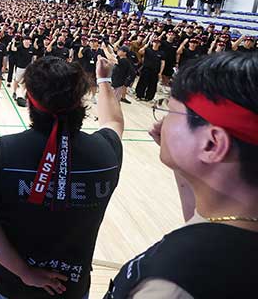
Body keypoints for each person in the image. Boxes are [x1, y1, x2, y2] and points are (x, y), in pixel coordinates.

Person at [105, 51, 258, 299]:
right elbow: (201, 221)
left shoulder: (169, 287)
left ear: (212, 144)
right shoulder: (236, 221)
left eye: (171, 112)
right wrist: (182, 163)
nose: (162, 123)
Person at [0, 54, 124, 299]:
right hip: (72, 285)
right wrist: (104, 78)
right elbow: (114, 121)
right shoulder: (106, 153)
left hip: (10, 284)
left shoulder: (3, 152)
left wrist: (25, 272)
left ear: (30, 101)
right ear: (81, 102)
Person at [10, 35, 36, 106]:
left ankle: (23, 94)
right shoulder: (20, 47)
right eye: (25, 40)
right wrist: (13, 42)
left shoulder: (32, 48)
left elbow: (34, 57)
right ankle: (14, 92)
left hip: (28, 68)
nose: (27, 41)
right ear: (23, 41)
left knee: (26, 82)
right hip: (20, 67)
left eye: (28, 40)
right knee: (16, 80)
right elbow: (13, 49)